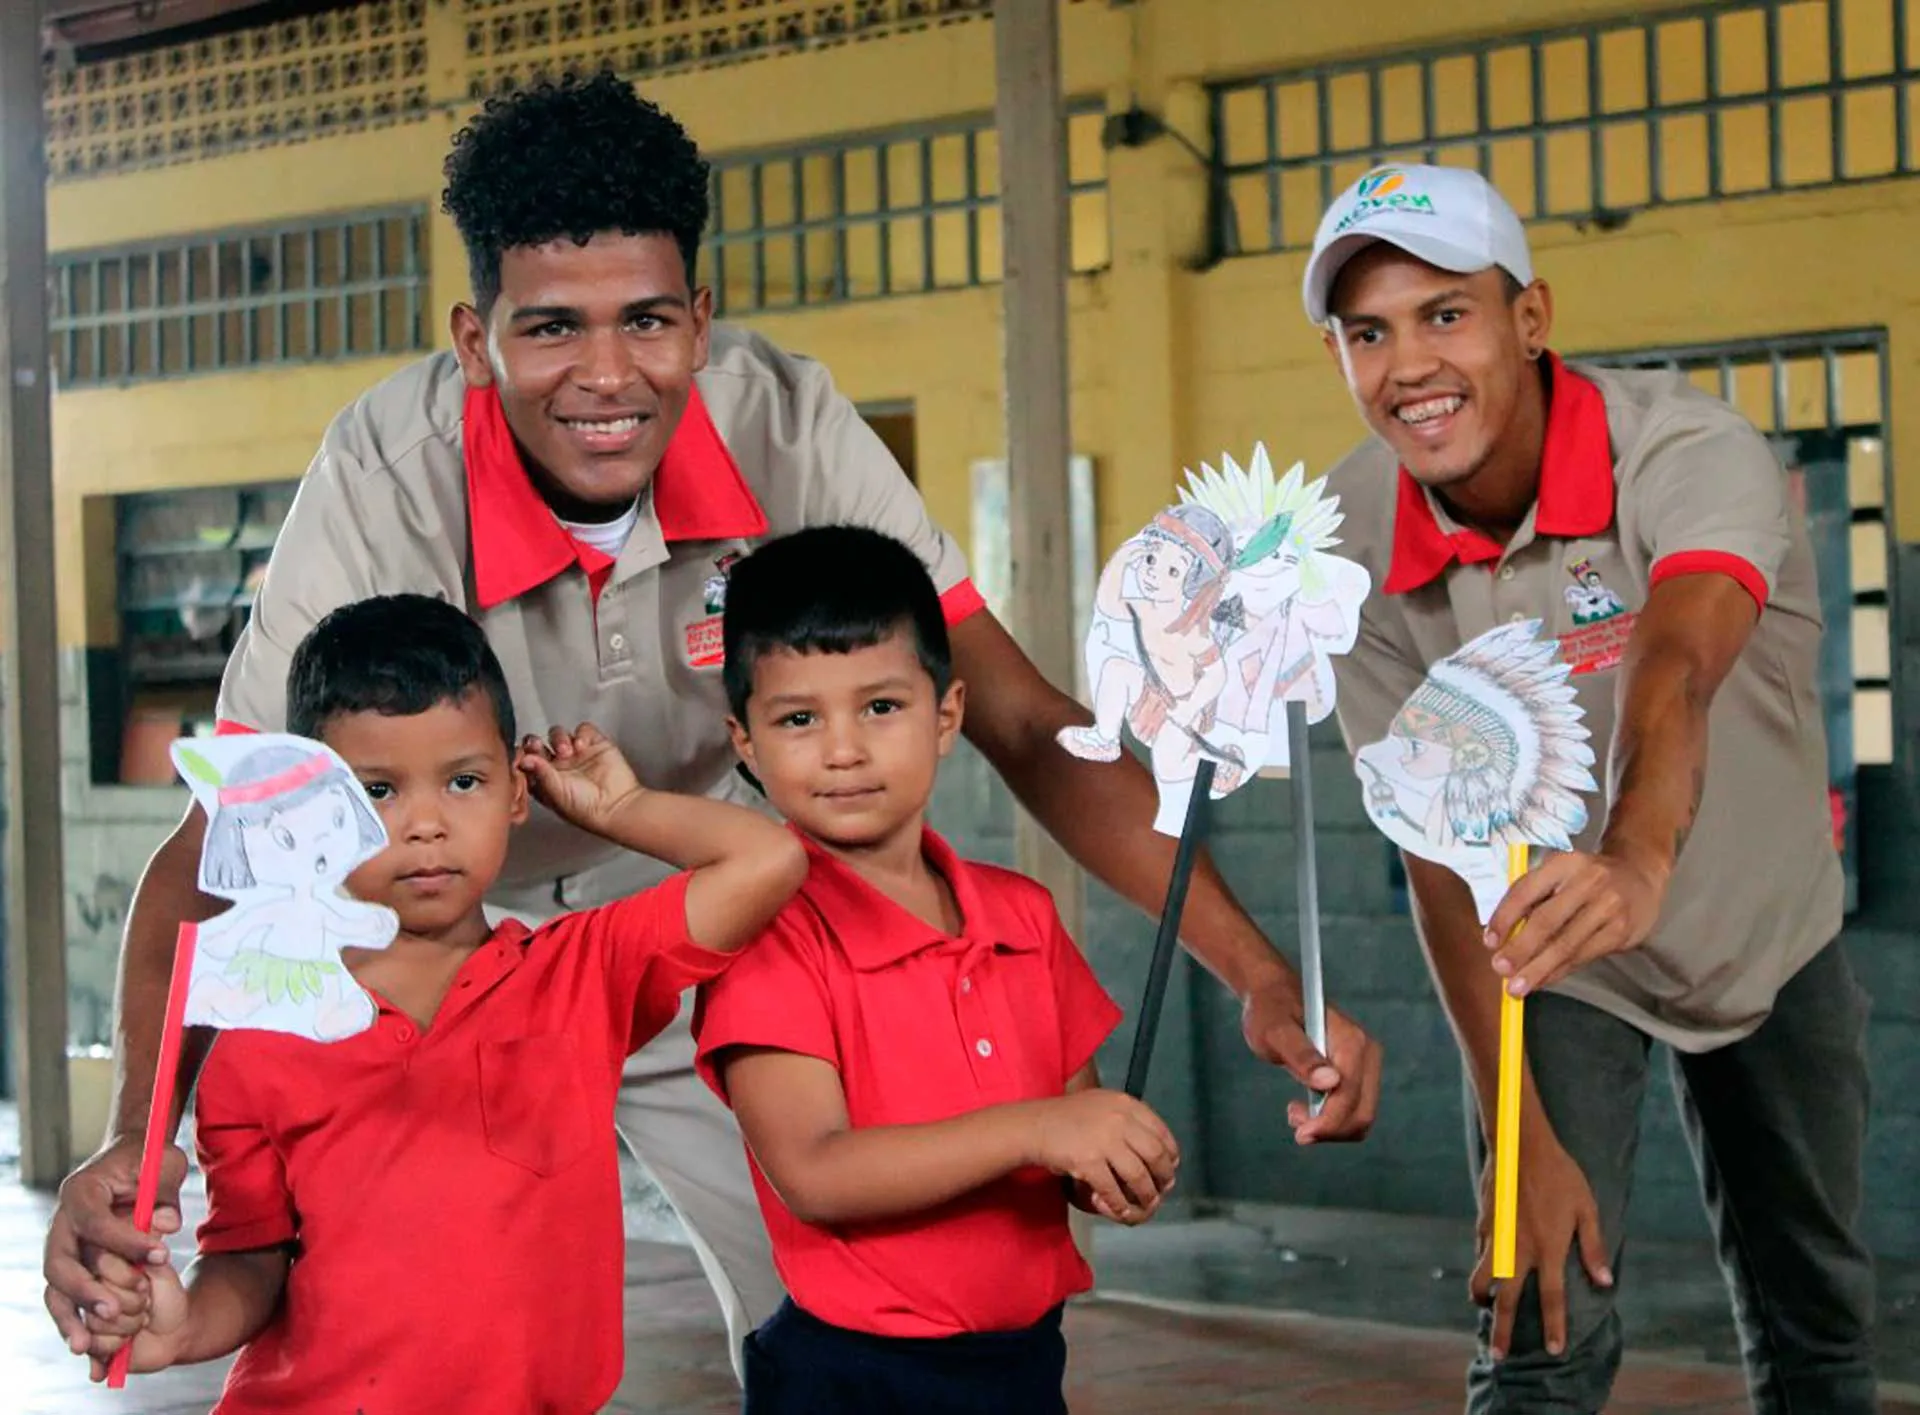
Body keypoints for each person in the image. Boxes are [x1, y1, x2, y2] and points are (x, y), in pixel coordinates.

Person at [45, 72, 1382, 1372]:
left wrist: (1263, 974)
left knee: (856, 1307)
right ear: (474, 338)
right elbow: (226, 828)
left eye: (647, 320)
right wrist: (137, 1131)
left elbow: (1028, 723)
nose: (606, 375)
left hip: (692, 897)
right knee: (414, 1326)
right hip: (435, 939)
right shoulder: (380, 481)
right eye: (550, 327)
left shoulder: (787, 422)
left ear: (703, 313)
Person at [1303, 162, 1876, 1412]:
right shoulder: (1349, 543)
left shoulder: (1684, 445)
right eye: (1367, 332)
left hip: (1755, 918)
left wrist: (1638, 859)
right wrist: (1523, 1130)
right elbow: (1436, 851)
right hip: (1546, 950)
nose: (1407, 364)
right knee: (1537, 1313)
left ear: (1531, 319)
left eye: (1445, 312)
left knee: (1815, 1309)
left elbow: (1675, 660)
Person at [71, 593, 807, 1412]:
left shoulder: (579, 973)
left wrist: (623, 810)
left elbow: (767, 858)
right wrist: (180, 1327)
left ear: (517, 794)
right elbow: (252, 1257)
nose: (425, 823)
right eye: (378, 790)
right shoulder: (263, 1025)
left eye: (464, 781)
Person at [693, 525, 1179, 1413]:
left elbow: (1075, 1138)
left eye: (881, 707)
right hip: (851, 1376)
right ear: (746, 743)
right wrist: (1041, 1128)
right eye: (799, 719)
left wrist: (1115, 1165)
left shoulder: (1024, 917)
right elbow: (816, 1171)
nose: (843, 749)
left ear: (947, 713)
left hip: (1024, 1362)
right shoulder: (768, 936)